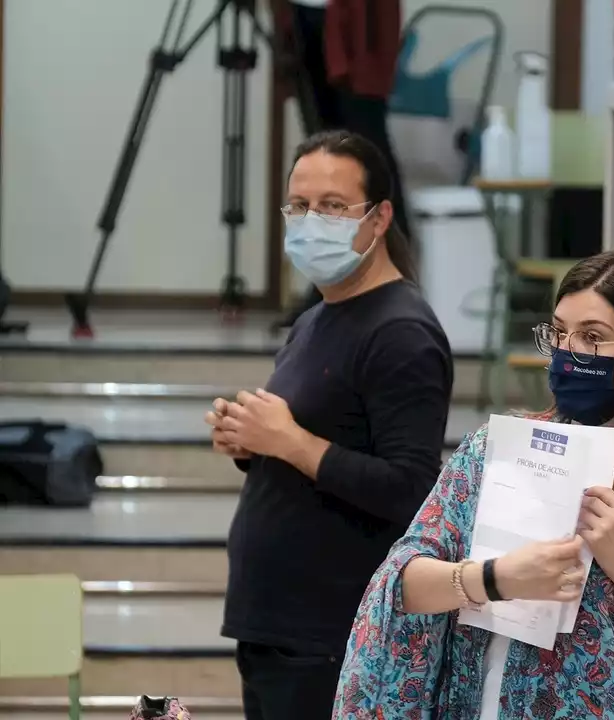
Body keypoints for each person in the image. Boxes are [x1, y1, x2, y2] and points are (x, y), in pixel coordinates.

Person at [334, 248, 614, 718]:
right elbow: (401, 584)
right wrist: (496, 578)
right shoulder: (494, 452)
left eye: (593, 338)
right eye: (560, 333)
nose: (569, 353)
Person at [206, 130, 454, 720]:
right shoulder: (318, 316)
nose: (312, 221)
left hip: (329, 634)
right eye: (300, 205)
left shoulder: (401, 333)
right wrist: (250, 439)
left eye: (334, 206)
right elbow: (321, 435)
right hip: (275, 625)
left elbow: (412, 489)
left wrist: (290, 441)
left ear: (379, 217)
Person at [271, 0, 412, 330]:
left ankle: (395, 280)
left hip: (358, 16)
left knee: (367, 146)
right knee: (324, 155)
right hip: (303, 12)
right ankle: (328, 286)